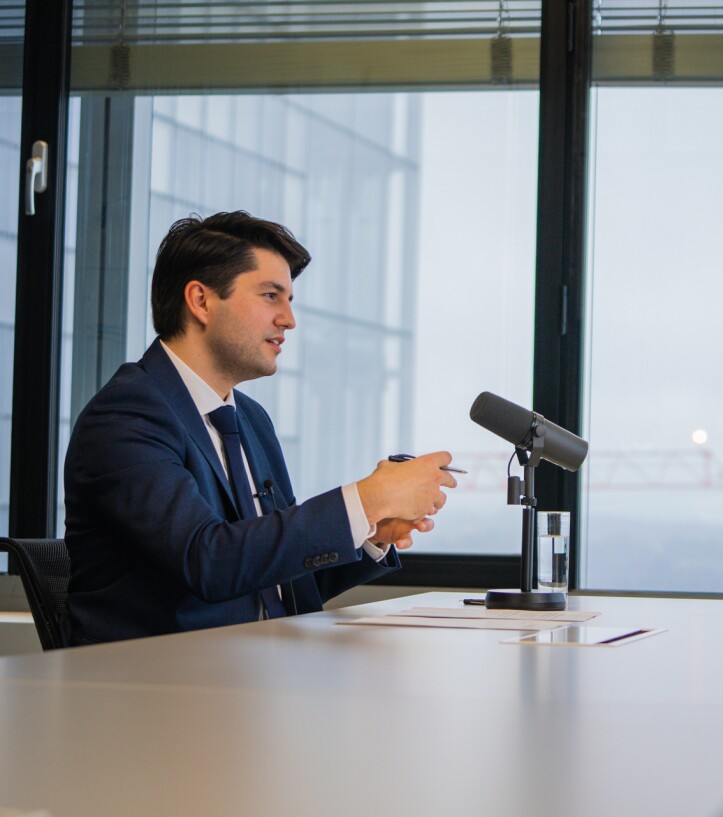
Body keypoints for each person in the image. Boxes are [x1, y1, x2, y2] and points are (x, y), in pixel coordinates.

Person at [64, 211, 457, 646]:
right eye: (272, 296)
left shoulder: (249, 419)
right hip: (163, 689)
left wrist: (369, 532)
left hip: (263, 674)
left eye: (289, 300)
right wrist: (364, 500)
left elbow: (279, 579)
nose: (289, 319)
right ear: (201, 301)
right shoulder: (127, 415)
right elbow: (208, 561)